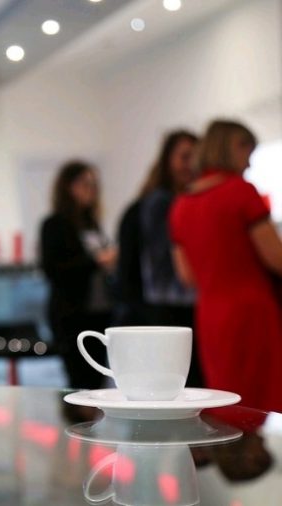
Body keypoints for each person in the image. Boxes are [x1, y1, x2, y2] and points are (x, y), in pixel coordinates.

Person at [170, 119, 282, 412]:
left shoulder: (181, 205)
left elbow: (187, 276)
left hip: (210, 315)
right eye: (247, 151)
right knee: (263, 401)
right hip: (251, 311)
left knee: (226, 402)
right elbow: (276, 258)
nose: (248, 162)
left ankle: (232, 458)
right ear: (234, 148)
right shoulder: (241, 192)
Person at [115, 129, 203, 387]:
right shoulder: (159, 204)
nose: (191, 165)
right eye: (184, 157)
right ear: (167, 160)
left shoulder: (179, 202)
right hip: (166, 315)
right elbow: (159, 275)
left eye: (195, 157)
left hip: (173, 312)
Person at [39, 160, 117, 390]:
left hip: (100, 312)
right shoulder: (55, 225)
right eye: (85, 183)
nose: (91, 189)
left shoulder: (92, 223)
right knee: (80, 382)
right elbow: (53, 270)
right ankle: (77, 424)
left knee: (98, 380)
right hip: (72, 315)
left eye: (94, 184)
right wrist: (97, 261)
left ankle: (92, 424)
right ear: (67, 187)